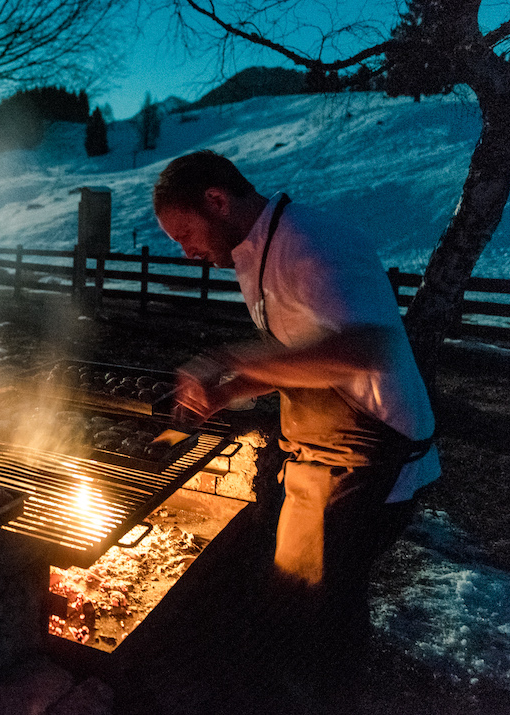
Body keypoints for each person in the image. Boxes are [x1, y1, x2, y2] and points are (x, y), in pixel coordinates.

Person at [153, 150, 439, 711]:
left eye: (184, 233)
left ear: (217, 199)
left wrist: (229, 357)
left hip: (372, 459)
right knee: (301, 596)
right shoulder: (254, 251)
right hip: (324, 453)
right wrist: (230, 389)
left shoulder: (312, 242)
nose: (184, 251)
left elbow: (363, 347)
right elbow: (303, 354)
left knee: (320, 608)